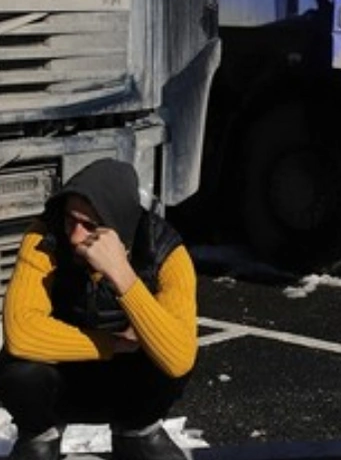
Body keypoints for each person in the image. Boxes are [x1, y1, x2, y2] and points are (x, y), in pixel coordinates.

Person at [0, 159, 198, 460]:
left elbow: (180, 358)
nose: (76, 236)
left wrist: (122, 274)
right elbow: (21, 332)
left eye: (90, 225)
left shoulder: (165, 251)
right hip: (63, 377)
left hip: (127, 384)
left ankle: (137, 433)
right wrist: (113, 344)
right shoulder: (44, 238)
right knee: (20, 371)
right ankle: (39, 437)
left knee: (165, 353)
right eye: (70, 220)